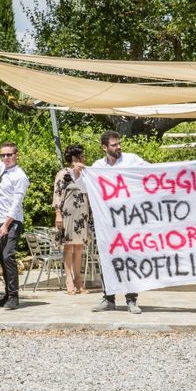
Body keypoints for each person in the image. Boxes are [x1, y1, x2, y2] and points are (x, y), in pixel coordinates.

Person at [72, 130, 148, 314]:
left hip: (129, 220)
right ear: (104, 147)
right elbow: (85, 187)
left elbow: (150, 172)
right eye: (114, 145)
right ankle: (109, 298)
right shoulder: (98, 166)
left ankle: (131, 299)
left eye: (119, 143)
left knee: (130, 259)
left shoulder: (131, 160)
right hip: (107, 224)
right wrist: (77, 174)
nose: (118, 147)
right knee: (108, 260)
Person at [0, 126, 30, 310]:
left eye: (9, 155)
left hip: (12, 221)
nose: (6, 158)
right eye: (4, 155)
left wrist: (6, 225)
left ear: (16, 155)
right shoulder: (3, 169)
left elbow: (16, 204)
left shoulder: (20, 176)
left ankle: (14, 298)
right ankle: (7, 295)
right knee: (2, 258)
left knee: (9, 255)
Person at [52, 144, 91, 295]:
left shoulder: (86, 173)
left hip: (82, 214)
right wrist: (58, 213)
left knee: (79, 247)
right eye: (82, 156)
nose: (84, 158)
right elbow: (57, 193)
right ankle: (68, 279)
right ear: (75, 158)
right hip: (67, 213)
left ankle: (78, 280)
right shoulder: (63, 173)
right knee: (68, 247)